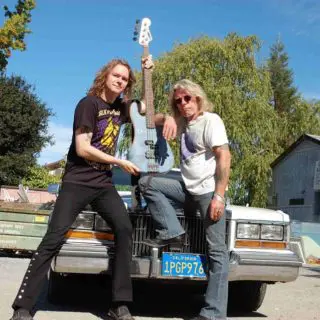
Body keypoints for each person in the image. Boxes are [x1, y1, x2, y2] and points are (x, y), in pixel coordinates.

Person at [9, 56, 173, 320]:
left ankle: (119, 303)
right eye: (116, 76)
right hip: (77, 180)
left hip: (103, 184)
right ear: (105, 76)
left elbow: (149, 112)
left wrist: (152, 83)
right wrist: (119, 161)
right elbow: (83, 148)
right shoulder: (88, 104)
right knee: (54, 237)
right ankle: (24, 306)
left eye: (124, 79)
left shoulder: (122, 108)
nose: (120, 81)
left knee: (124, 228)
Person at [139, 79, 231, 320]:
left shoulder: (211, 120)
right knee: (146, 182)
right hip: (186, 189)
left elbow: (224, 156)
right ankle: (172, 231)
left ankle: (213, 313)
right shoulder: (181, 122)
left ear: (197, 98)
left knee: (217, 251)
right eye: (178, 101)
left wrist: (219, 196)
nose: (182, 104)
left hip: (208, 192)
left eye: (187, 98)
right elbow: (149, 118)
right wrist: (168, 118)